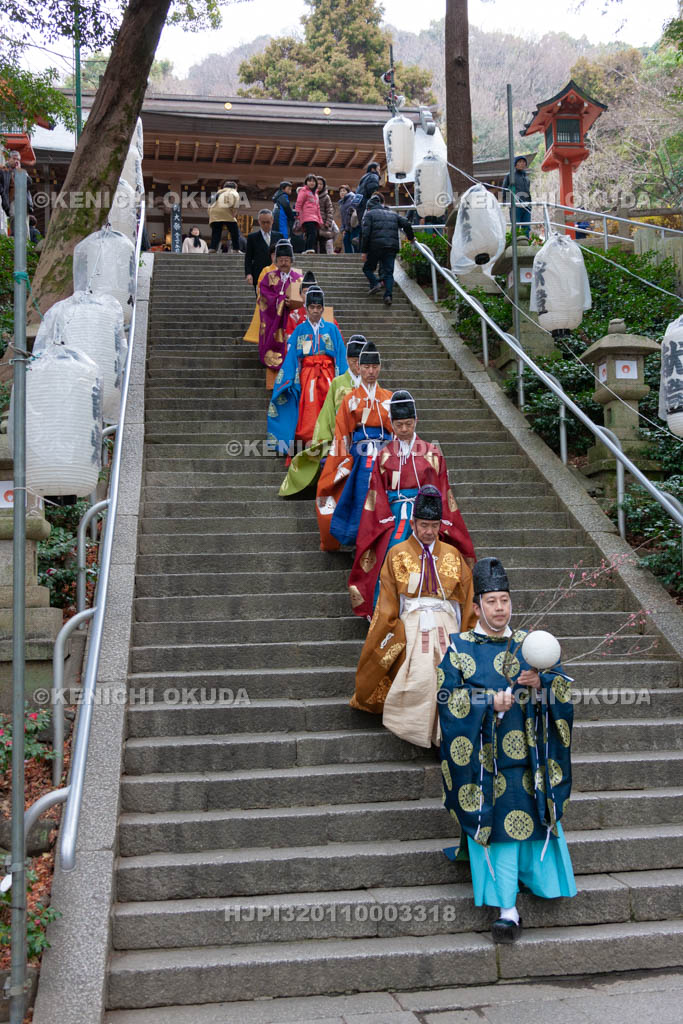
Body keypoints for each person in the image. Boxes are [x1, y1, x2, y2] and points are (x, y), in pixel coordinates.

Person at [437, 556, 576, 944]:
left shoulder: (532, 645)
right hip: (486, 763)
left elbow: (562, 691)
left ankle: (542, 884)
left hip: (529, 757)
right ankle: (506, 908)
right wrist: (485, 703)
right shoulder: (459, 647)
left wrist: (541, 683)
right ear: (477, 607)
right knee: (499, 827)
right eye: (492, 601)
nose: (500, 608)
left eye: (505, 600)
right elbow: (447, 698)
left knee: (533, 811)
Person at [351, 485, 476, 750]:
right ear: (413, 523)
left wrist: (468, 635)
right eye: (423, 525)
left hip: (446, 623)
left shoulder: (453, 555)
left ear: (440, 524)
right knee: (420, 676)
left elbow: (466, 602)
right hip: (412, 623)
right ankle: (418, 731)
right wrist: (389, 631)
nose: (429, 531)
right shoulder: (397, 554)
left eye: (433, 525)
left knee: (449, 675)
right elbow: (387, 603)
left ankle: (446, 734)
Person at [348, 391, 476, 619]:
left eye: (408, 423)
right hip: (395, 514)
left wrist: (441, 520)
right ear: (391, 424)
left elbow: (444, 489)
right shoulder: (384, 455)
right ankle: (386, 615)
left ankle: (439, 611)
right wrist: (385, 520)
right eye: (399, 425)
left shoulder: (432, 452)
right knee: (389, 553)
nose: (404, 429)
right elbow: (375, 492)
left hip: (428, 517)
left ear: (416, 421)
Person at [315, 340, 392, 552]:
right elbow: (342, 434)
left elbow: (397, 431)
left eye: (374, 367)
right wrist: (343, 459)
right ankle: (360, 543)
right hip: (360, 456)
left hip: (385, 455)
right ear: (359, 367)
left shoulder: (389, 399)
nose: (370, 371)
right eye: (366, 367)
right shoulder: (350, 399)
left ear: (380, 368)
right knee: (360, 497)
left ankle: (385, 541)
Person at [279, 335, 366, 497]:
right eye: (353, 360)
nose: (357, 365)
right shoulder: (338, 383)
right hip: (339, 437)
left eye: (361, 360)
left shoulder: (372, 384)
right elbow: (326, 415)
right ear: (347, 359)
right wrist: (325, 439)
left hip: (365, 438)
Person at [268, 286, 347, 454]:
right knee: (309, 407)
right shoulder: (299, 330)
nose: (315, 311)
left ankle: (329, 438)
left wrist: (344, 379)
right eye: (312, 307)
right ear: (306, 308)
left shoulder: (332, 329)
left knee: (328, 405)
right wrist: (288, 379)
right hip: (307, 375)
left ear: (323, 309)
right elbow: (291, 357)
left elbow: (341, 354)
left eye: (319, 307)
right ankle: (309, 439)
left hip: (328, 374)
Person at [255, 240, 303, 389]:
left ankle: (292, 383)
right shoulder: (268, 277)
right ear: (276, 260)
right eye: (280, 260)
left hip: (292, 321)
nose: (283, 263)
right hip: (273, 321)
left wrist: (295, 302)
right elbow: (263, 296)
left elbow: (305, 298)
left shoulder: (298, 278)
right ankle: (273, 385)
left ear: (291, 261)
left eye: (286, 260)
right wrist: (281, 300)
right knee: (273, 348)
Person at [361, 193, 415, 307]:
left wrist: (364, 251)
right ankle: (388, 296)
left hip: (375, 246)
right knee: (389, 272)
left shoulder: (369, 214)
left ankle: (375, 283)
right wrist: (410, 237)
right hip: (391, 246)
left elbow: (366, 234)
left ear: (369, 207)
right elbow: (406, 223)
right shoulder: (393, 214)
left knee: (367, 268)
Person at [285, 270, 336, 337]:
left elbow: (337, 337)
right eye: (305, 292)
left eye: (311, 292)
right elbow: (290, 338)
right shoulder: (294, 315)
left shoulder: (325, 313)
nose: (308, 295)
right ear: (300, 294)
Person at [244, 210, 283, 290]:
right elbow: (248, 258)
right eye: (263, 222)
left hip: (276, 274)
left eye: (268, 222)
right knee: (261, 300)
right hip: (258, 274)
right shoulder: (252, 238)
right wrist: (248, 274)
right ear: (259, 221)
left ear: (272, 220)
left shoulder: (279, 236)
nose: (265, 225)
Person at [502, 157, 532, 238]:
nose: (522, 164)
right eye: (520, 162)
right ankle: (514, 244)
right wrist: (507, 202)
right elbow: (505, 189)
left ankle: (526, 244)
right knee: (515, 226)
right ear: (515, 164)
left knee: (527, 227)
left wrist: (530, 205)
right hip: (515, 205)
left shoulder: (526, 177)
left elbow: (528, 192)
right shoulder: (510, 175)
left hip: (527, 206)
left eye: (524, 162)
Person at [208, 180, 240, 252]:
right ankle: (236, 249)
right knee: (234, 231)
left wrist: (211, 216)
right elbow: (235, 206)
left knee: (216, 232)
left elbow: (209, 206)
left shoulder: (216, 194)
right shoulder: (234, 192)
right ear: (235, 187)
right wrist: (233, 215)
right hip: (227, 213)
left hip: (214, 214)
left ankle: (213, 248)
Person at [295, 174, 322, 253]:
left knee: (311, 234)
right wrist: (298, 215)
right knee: (312, 233)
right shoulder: (303, 191)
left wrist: (320, 219)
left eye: (313, 181)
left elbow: (318, 208)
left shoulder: (316, 194)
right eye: (309, 181)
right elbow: (299, 203)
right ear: (306, 182)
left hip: (314, 218)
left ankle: (307, 249)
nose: (311, 183)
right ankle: (309, 248)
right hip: (307, 217)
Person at [316, 176, 336, 255]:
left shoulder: (326, 197)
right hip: (312, 222)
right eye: (318, 184)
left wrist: (328, 222)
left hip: (323, 224)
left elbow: (329, 211)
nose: (319, 186)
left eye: (321, 184)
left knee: (322, 244)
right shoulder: (310, 195)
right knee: (312, 244)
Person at [338, 185, 360, 253]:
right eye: (341, 191)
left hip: (354, 225)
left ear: (348, 192)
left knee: (354, 241)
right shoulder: (341, 202)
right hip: (347, 227)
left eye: (344, 191)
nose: (342, 193)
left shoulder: (352, 198)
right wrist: (343, 228)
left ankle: (357, 257)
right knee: (346, 241)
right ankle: (349, 255)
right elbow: (343, 217)